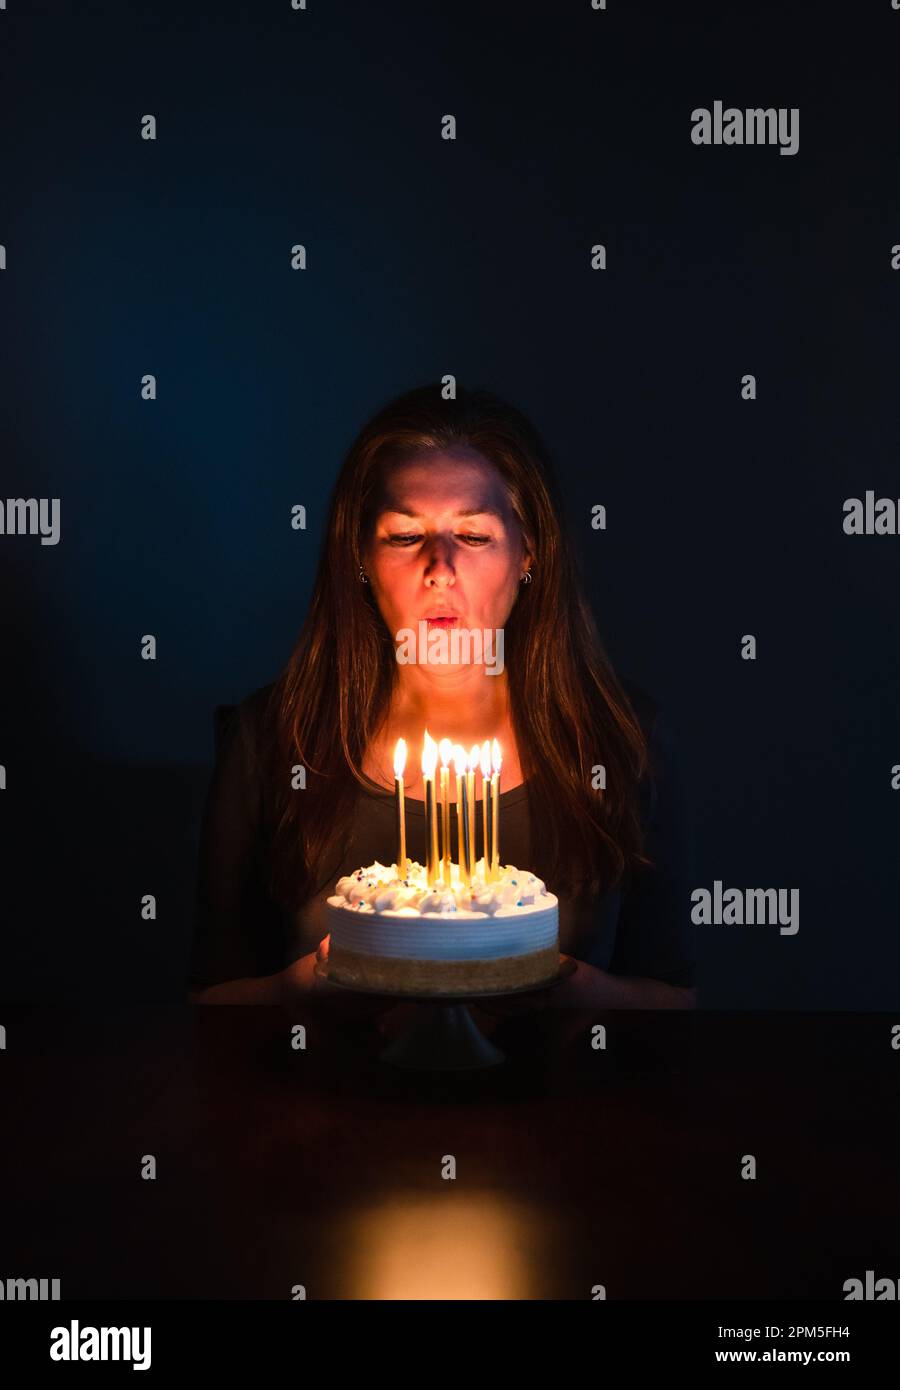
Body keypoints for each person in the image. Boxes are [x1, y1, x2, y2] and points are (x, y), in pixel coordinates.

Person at [187, 383, 697, 1011]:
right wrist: (302, 993)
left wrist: (579, 996)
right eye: (405, 536)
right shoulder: (272, 738)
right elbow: (209, 1001)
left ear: (528, 554)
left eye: (475, 536)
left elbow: (675, 998)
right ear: (359, 558)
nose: (440, 568)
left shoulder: (621, 738)